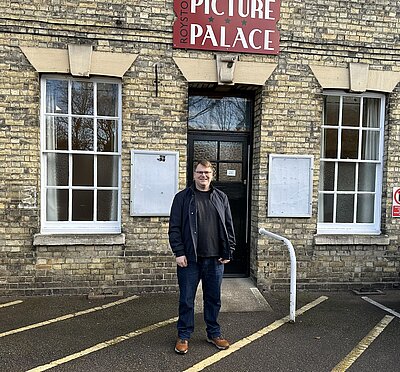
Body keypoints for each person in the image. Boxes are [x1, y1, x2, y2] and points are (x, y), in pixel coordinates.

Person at [168, 159, 236, 355]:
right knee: (187, 299)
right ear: (194, 174)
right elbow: (174, 228)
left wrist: (229, 250)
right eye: (199, 172)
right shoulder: (182, 198)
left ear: (212, 174)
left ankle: (213, 333)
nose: (203, 176)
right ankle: (183, 335)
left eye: (206, 172)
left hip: (215, 260)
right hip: (190, 260)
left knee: (213, 299)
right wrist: (179, 252)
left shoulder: (221, 197)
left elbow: (229, 227)